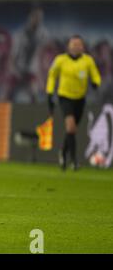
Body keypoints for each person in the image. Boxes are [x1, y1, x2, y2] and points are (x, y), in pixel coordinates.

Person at [46, 35, 102, 171]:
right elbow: (52, 75)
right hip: (65, 97)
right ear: (69, 46)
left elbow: (95, 74)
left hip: (80, 99)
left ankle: (63, 152)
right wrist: (49, 93)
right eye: (73, 44)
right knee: (71, 128)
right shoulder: (60, 60)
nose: (76, 47)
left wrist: (96, 82)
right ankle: (74, 160)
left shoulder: (87, 61)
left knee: (72, 130)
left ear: (82, 47)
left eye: (79, 44)